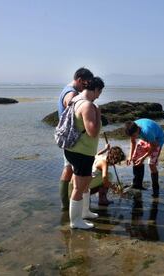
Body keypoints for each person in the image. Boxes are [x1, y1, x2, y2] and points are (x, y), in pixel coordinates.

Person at [64, 77, 105, 229]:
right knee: (79, 187)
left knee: (85, 183)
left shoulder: (75, 100)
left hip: (74, 149)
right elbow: (92, 132)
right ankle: (75, 221)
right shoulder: (88, 106)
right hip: (81, 152)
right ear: (95, 90)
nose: (99, 95)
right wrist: (98, 114)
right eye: (99, 92)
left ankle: (85, 212)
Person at [57, 68, 94, 211]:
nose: (86, 87)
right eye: (85, 84)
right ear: (79, 79)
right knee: (69, 170)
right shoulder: (70, 92)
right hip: (72, 138)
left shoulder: (70, 89)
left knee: (69, 169)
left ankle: (68, 205)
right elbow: (69, 102)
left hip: (68, 138)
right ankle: (68, 205)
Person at [124, 118, 164, 197]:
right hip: (146, 138)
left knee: (151, 164)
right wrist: (130, 156)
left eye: (134, 136)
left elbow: (153, 146)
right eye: (131, 136)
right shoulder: (132, 128)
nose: (133, 137)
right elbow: (133, 142)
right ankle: (137, 184)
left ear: (137, 130)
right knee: (135, 158)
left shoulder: (147, 131)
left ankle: (155, 188)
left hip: (157, 140)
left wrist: (143, 158)